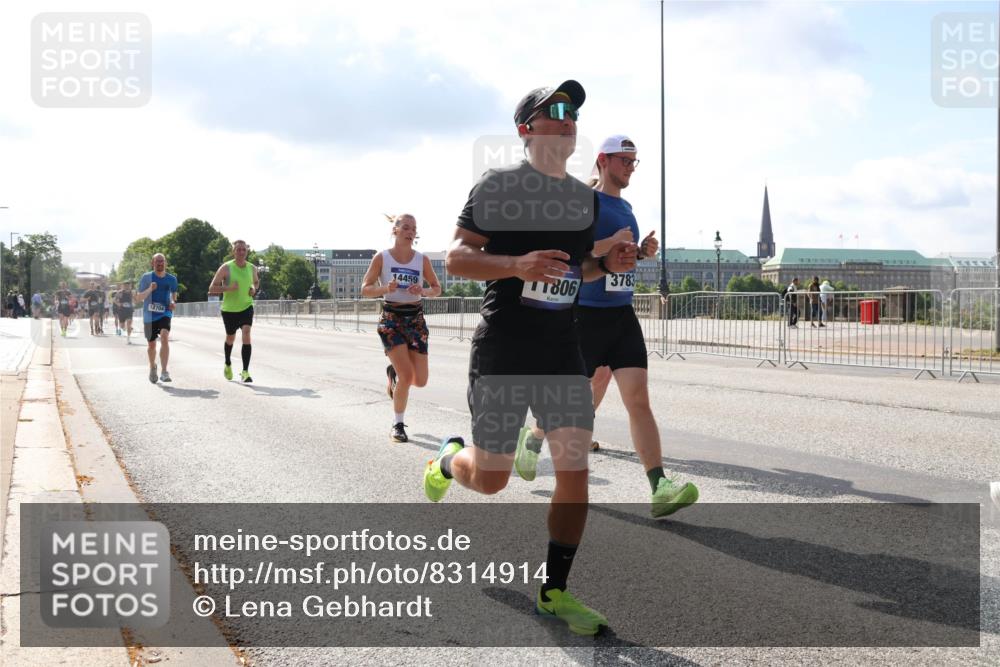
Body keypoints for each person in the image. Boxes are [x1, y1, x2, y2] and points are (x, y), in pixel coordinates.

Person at [424, 80, 637, 636]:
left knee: (574, 471)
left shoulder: (584, 200)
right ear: (527, 129)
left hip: (561, 347)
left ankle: (554, 591)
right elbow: (456, 258)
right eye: (556, 110)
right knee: (491, 479)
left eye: (574, 112)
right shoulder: (499, 186)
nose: (569, 119)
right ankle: (448, 459)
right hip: (505, 346)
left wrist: (608, 263)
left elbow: (578, 271)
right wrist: (517, 264)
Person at [513, 134, 699, 518]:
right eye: (625, 160)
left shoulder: (627, 206)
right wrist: (610, 243)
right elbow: (572, 255)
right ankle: (532, 439)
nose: (631, 167)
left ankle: (659, 486)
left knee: (638, 400)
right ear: (603, 160)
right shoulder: (583, 202)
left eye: (635, 161)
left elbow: (621, 259)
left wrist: (641, 252)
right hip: (586, 315)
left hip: (622, 315)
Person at [361, 214, 441, 442]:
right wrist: (386, 287)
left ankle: (393, 374)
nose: (410, 231)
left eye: (413, 228)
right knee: (407, 376)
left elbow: (437, 288)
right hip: (392, 320)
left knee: (420, 380)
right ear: (395, 230)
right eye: (405, 227)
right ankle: (398, 425)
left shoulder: (421, 260)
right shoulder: (382, 258)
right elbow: (365, 289)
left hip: (415, 320)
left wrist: (423, 291)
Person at [208, 240, 259, 383]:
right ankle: (228, 363)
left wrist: (253, 289)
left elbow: (255, 282)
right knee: (230, 338)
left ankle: (245, 371)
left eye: (243, 249)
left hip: (246, 307)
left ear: (247, 251)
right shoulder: (226, 268)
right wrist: (228, 288)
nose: (241, 252)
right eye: (238, 250)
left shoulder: (252, 268)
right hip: (229, 310)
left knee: (246, 333)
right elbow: (212, 288)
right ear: (233, 252)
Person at [137, 254, 178, 383]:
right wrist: (150, 288)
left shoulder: (172, 279)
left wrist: (172, 302)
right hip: (149, 315)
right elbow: (139, 297)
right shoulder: (146, 277)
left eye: (162, 261)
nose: (160, 263)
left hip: (164, 312)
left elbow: (173, 295)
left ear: (165, 263)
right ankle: (152, 366)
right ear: (152, 263)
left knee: (165, 336)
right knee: (151, 344)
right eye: (157, 261)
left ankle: (164, 371)